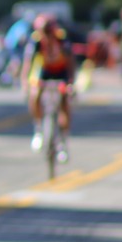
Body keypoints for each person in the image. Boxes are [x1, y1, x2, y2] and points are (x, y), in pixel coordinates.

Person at [25, 13, 77, 161]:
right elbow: (28, 64)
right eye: (44, 32)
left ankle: (63, 142)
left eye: (49, 31)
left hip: (61, 72)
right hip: (46, 71)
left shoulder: (62, 39)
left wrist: (71, 82)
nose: (47, 35)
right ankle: (39, 130)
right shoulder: (36, 41)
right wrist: (26, 83)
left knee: (65, 101)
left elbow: (71, 62)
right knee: (35, 94)